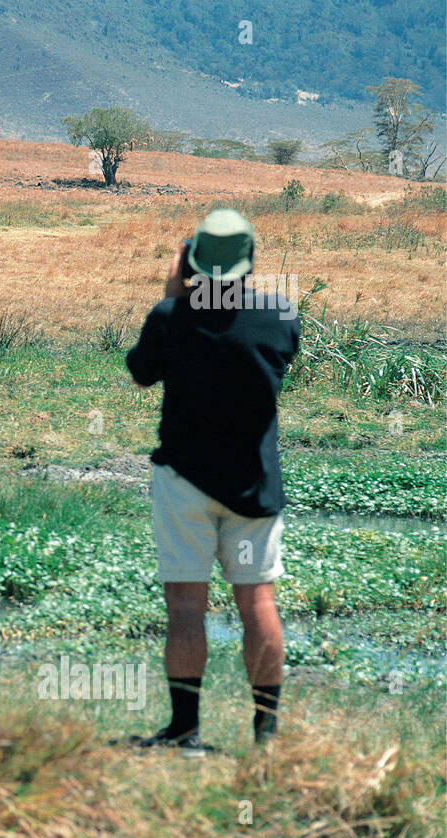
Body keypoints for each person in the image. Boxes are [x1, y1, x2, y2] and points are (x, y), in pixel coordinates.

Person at [125, 208, 300, 751]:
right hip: (253, 486)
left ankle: (184, 730)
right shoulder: (280, 314)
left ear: (193, 258)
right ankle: (265, 734)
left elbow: (139, 372)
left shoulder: (171, 316)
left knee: (185, 606)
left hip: (185, 484)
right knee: (258, 603)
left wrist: (175, 288)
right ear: (250, 261)